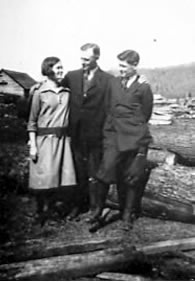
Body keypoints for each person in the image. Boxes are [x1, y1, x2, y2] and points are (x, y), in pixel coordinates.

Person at [95, 49, 153, 231]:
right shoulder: (113, 83)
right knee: (104, 172)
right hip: (113, 135)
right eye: (119, 65)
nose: (120, 69)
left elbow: (146, 112)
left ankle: (127, 215)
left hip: (135, 137)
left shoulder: (144, 87)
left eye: (124, 66)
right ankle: (97, 211)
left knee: (132, 177)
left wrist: (134, 126)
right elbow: (107, 106)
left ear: (134, 66)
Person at [61, 43, 112, 222]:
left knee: (95, 172)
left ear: (96, 58)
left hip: (96, 136)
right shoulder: (71, 76)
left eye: (87, 59)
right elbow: (58, 93)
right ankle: (77, 205)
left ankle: (96, 208)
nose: (83, 62)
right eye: (81, 58)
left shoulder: (107, 80)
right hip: (75, 134)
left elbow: (111, 108)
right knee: (76, 171)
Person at [27, 57, 76, 226]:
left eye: (62, 67)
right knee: (43, 179)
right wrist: (33, 145)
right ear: (48, 70)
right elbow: (32, 122)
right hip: (44, 141)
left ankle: (53, 212)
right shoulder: (39, 92)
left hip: (62, 141)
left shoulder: (67, 92)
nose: (61, 71)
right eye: (58, 68)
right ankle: (39, 212)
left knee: (58, 179)